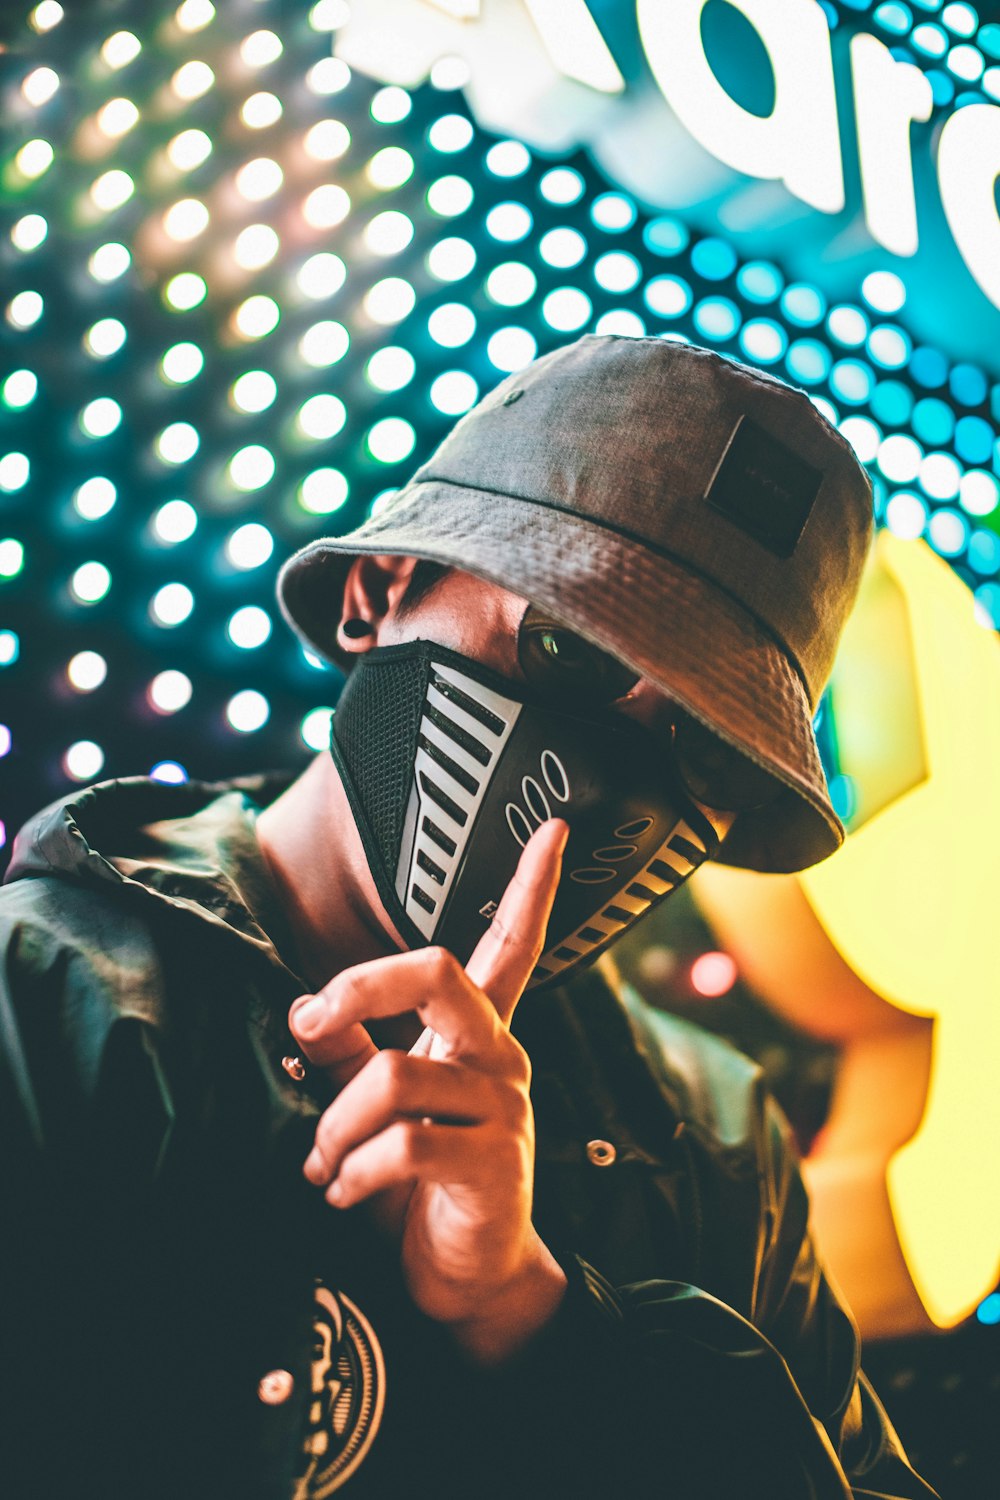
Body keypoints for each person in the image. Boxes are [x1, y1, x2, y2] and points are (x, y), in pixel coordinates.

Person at [0, 335, 938, 1499]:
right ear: (377, 593)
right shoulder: (42, 1001)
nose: (604, 788)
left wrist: (540, 1324)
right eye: (568, 651)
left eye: (700, 748)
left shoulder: (716, 1141)